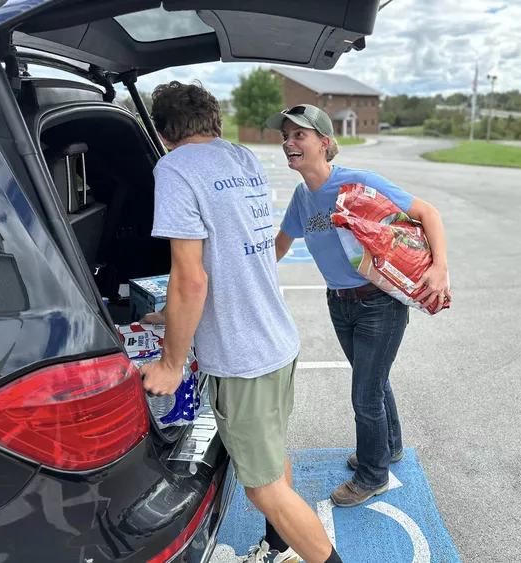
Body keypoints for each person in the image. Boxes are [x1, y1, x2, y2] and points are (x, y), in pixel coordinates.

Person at [139, 83, 343, 563]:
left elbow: (191, 280)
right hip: (277, 340)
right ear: (215, 122)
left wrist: (170, 364)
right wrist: (168, 318)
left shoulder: (174, 169)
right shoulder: (241, 158)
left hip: (242, 356)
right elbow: (234, 255)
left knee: (262, 488)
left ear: (166, 132)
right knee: (271, 454)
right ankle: (281, 548)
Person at [267, 104, 451, 508]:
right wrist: (246, 272)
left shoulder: (358, 183)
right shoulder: (302, 197)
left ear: (324, 143)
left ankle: (373, 475)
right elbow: (280, 245)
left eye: (299, 135)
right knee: (374, 381)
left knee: (365, 395)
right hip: (340, 303)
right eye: (286, 135)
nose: (288, 142)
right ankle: (390, 447)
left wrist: (440, 269)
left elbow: (427, 213)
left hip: (378, 305)